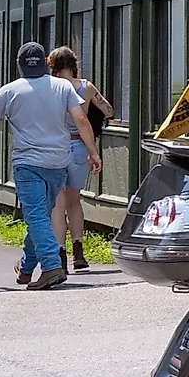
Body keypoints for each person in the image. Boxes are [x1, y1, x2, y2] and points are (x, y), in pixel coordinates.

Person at [0, 43, 97, 290]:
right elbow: (81, 120)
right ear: (45, 63)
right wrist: (92, 152)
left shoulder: (9, 91)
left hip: (28, 163)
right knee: (41, 216)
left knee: (35, 215)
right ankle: (25, 268)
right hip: (59, 161)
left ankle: (51, 266)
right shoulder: (63, 86)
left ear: (18, 63)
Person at [47, 45, 113, 271]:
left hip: (56, 146)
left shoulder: (50, 87)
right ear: (74, 65)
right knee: (74, 201)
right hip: (79, 146)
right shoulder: (86, 87)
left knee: (58, 203)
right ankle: (79, 251)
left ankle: (60, 255)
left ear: (53, 67)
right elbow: (109, 110)